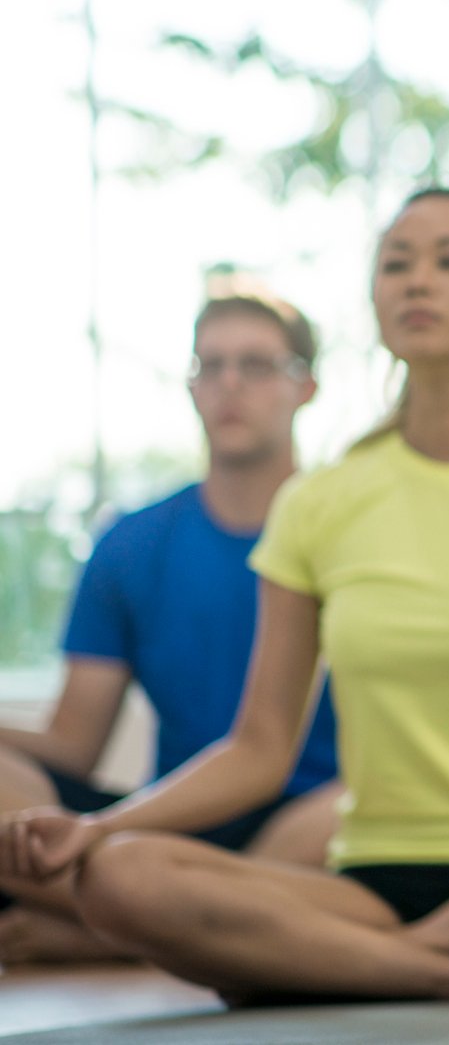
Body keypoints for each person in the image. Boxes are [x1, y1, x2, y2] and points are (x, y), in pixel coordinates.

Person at [0, 188, 449, 999]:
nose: (418, 281)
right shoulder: (317, 503)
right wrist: (97, 828)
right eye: (396, 264)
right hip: (364, 880)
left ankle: (350, 963)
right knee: (120, 875)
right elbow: (257, 750)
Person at [0, 293, 340, 964]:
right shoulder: (131, 544)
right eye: (210, 366)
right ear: (190, 386)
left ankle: (130, 925)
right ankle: (182, 923)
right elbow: (74, 744)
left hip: (309, 828)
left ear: (305, 386)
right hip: (169, 822)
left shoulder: (352, 526)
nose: (230, 384)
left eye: (255, 365)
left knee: (362, 813)